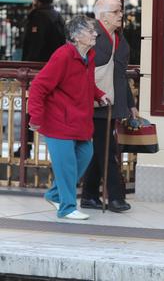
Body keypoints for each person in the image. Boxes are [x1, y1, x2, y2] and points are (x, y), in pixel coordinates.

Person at [28, 15, 110, 220]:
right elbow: (38, 86)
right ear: (75, 36)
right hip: (58, 121)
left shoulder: (88, 56)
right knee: (67, 165)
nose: (95, 34)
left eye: (94, 30)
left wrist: (99, 95)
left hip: (79, 120)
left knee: (85, 154)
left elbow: (87, 83)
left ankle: (55, 194)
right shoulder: (63, 55)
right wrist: (35, 117)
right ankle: (66, 207)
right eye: (90, 31)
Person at [81, 0, 137, 213]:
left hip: (111, 101)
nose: (121, 14)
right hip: (95, 102)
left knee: (99, 150)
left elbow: (121, 74)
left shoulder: (118, 38)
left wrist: (130, 103)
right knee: (108, 150)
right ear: (103, 15)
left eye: (120, 11)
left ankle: (89, 196)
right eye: (116, 11)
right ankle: (115, 197)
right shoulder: (91, 37)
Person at [16, 0, 66, 158]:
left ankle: (26, 147)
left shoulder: (39, 17)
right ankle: (56, 149)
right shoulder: (57, 16)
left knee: (31, 109)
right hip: (56, 70)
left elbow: (34, 47)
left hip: (38, 72)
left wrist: (25, 68)